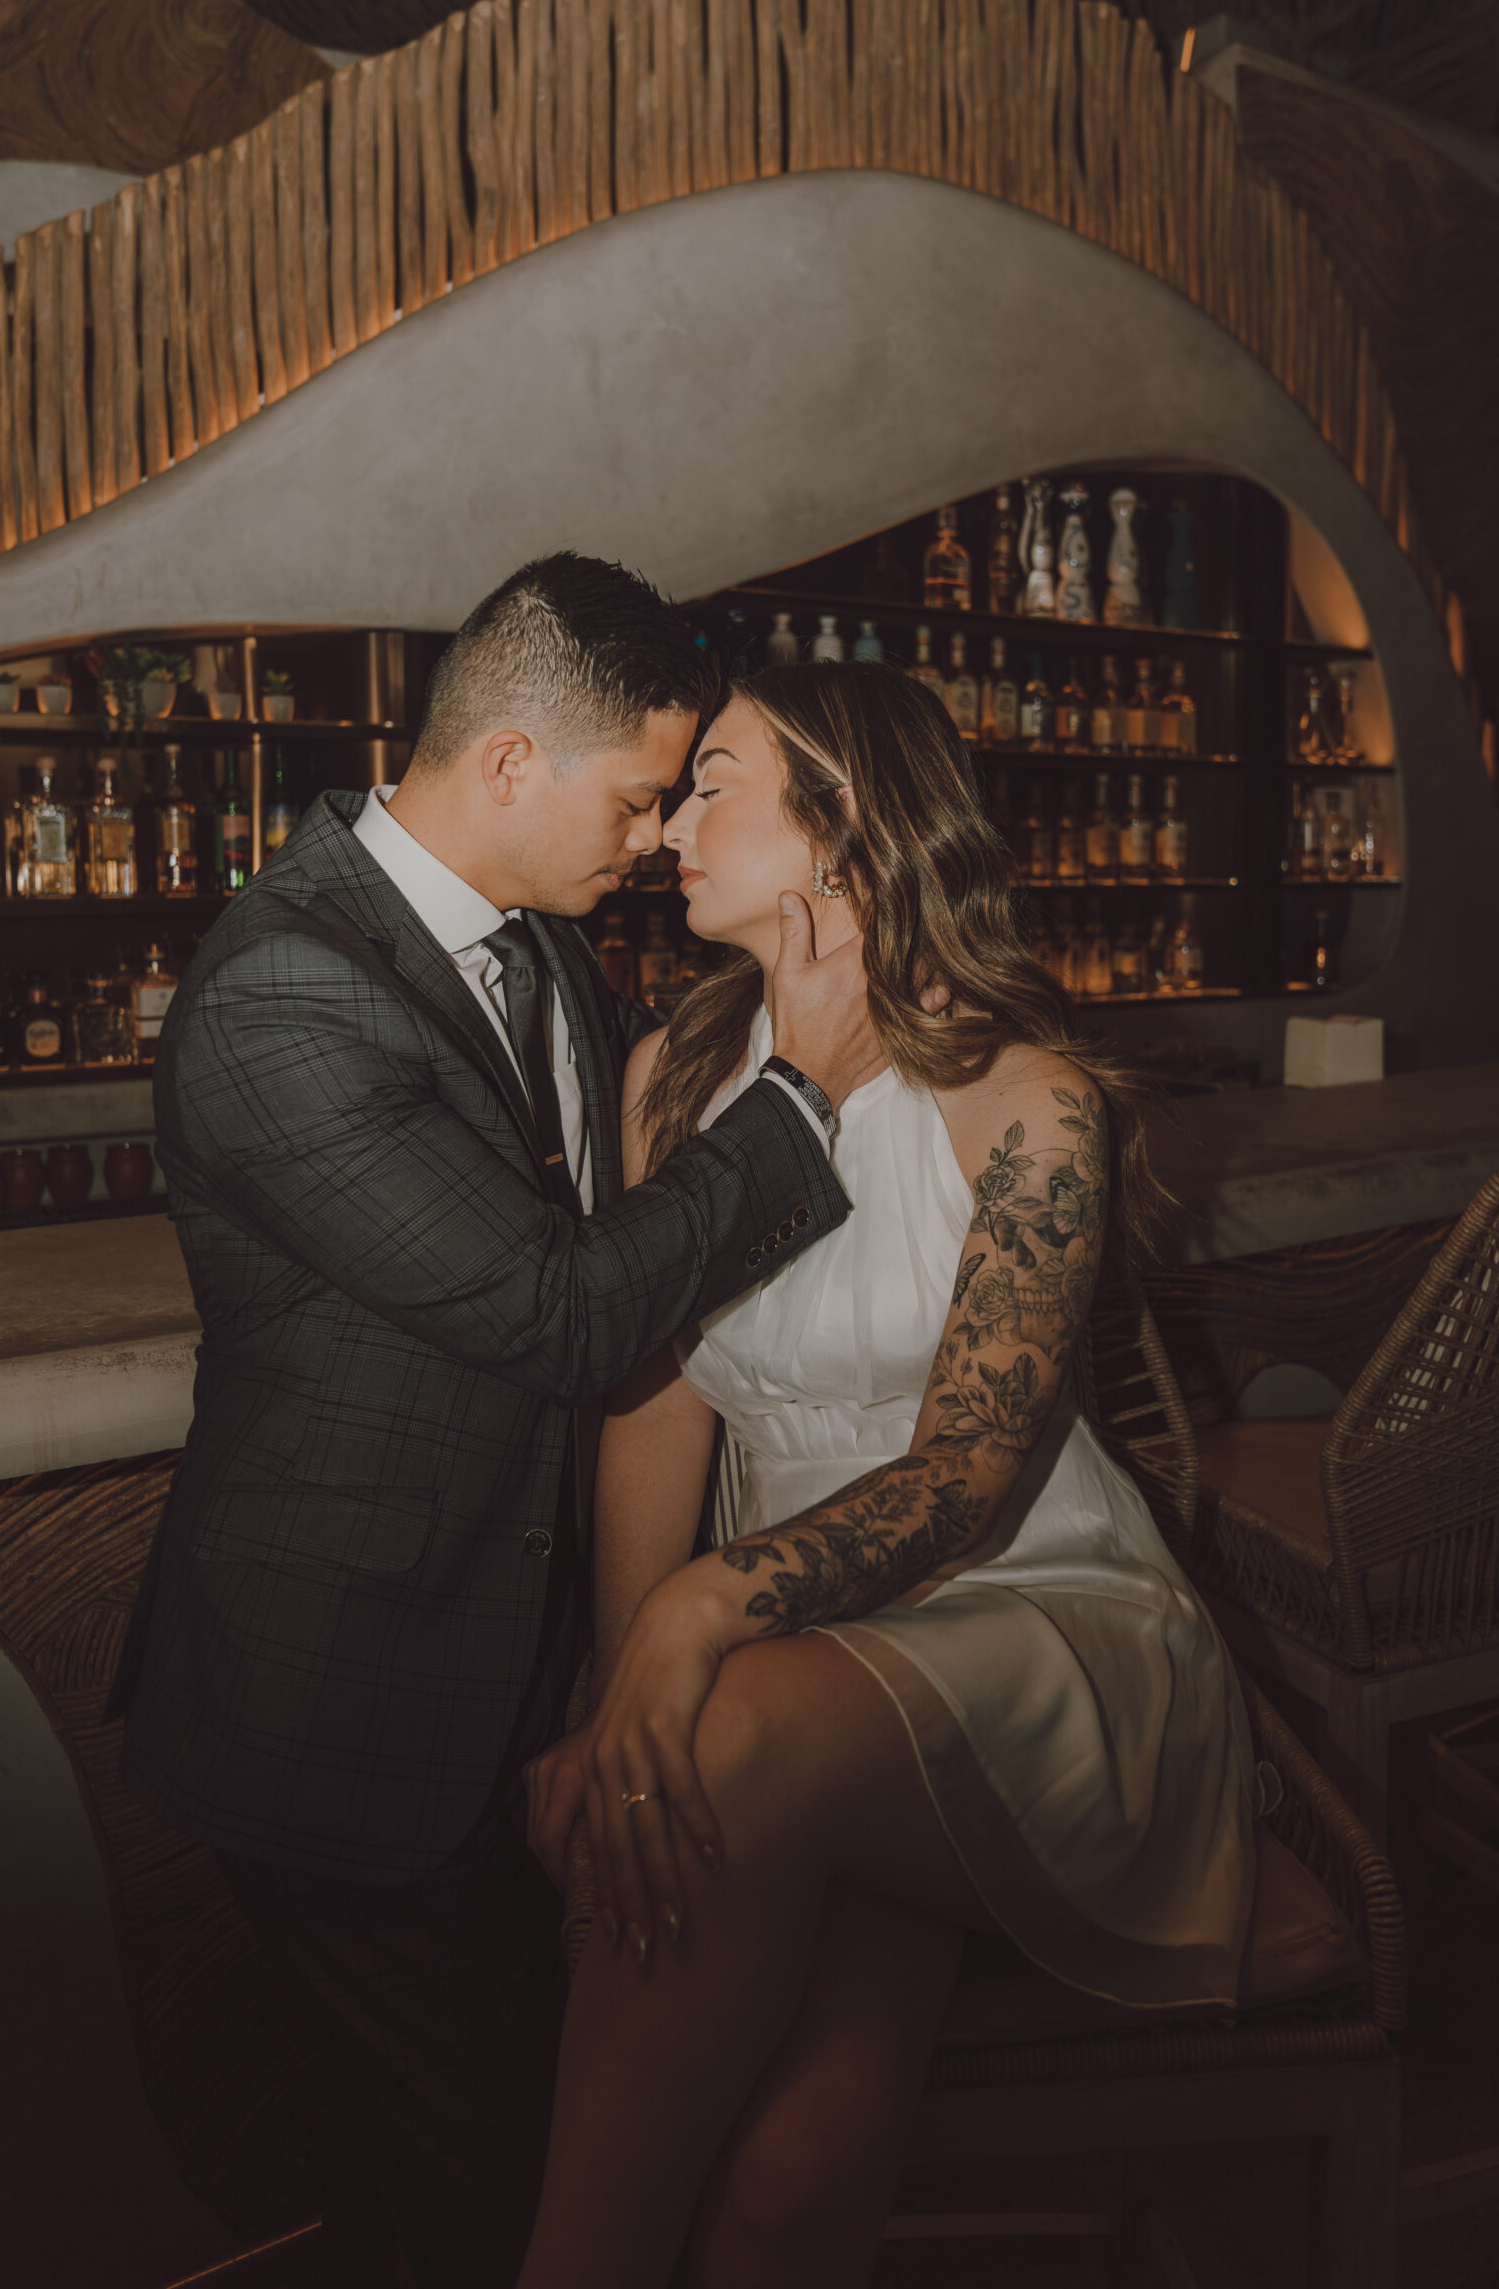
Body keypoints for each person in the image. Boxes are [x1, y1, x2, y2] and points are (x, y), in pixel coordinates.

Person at [108, 555, 881, 2288]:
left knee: (440, 2179)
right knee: (495, 2188)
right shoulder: (284, 992)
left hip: (500, 1677)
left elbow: (627, 1199)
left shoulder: (537, 938)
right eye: (635, 797)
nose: (654, 838)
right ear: (513, 763)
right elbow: (567, 1311)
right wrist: (805, 1093)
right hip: (341, 1700)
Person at [521, 661, 1258, 2289]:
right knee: (789, 2181)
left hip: (1030, 1612)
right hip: (794, 1662)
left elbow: (970, 1481)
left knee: (737, 1730)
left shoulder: (1033, 1105)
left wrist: (699, 1617)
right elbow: (653, 1407)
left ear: (845, 836)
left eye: (716, 785)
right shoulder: (668, 1082)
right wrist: (617, 1674)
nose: (668, 827)